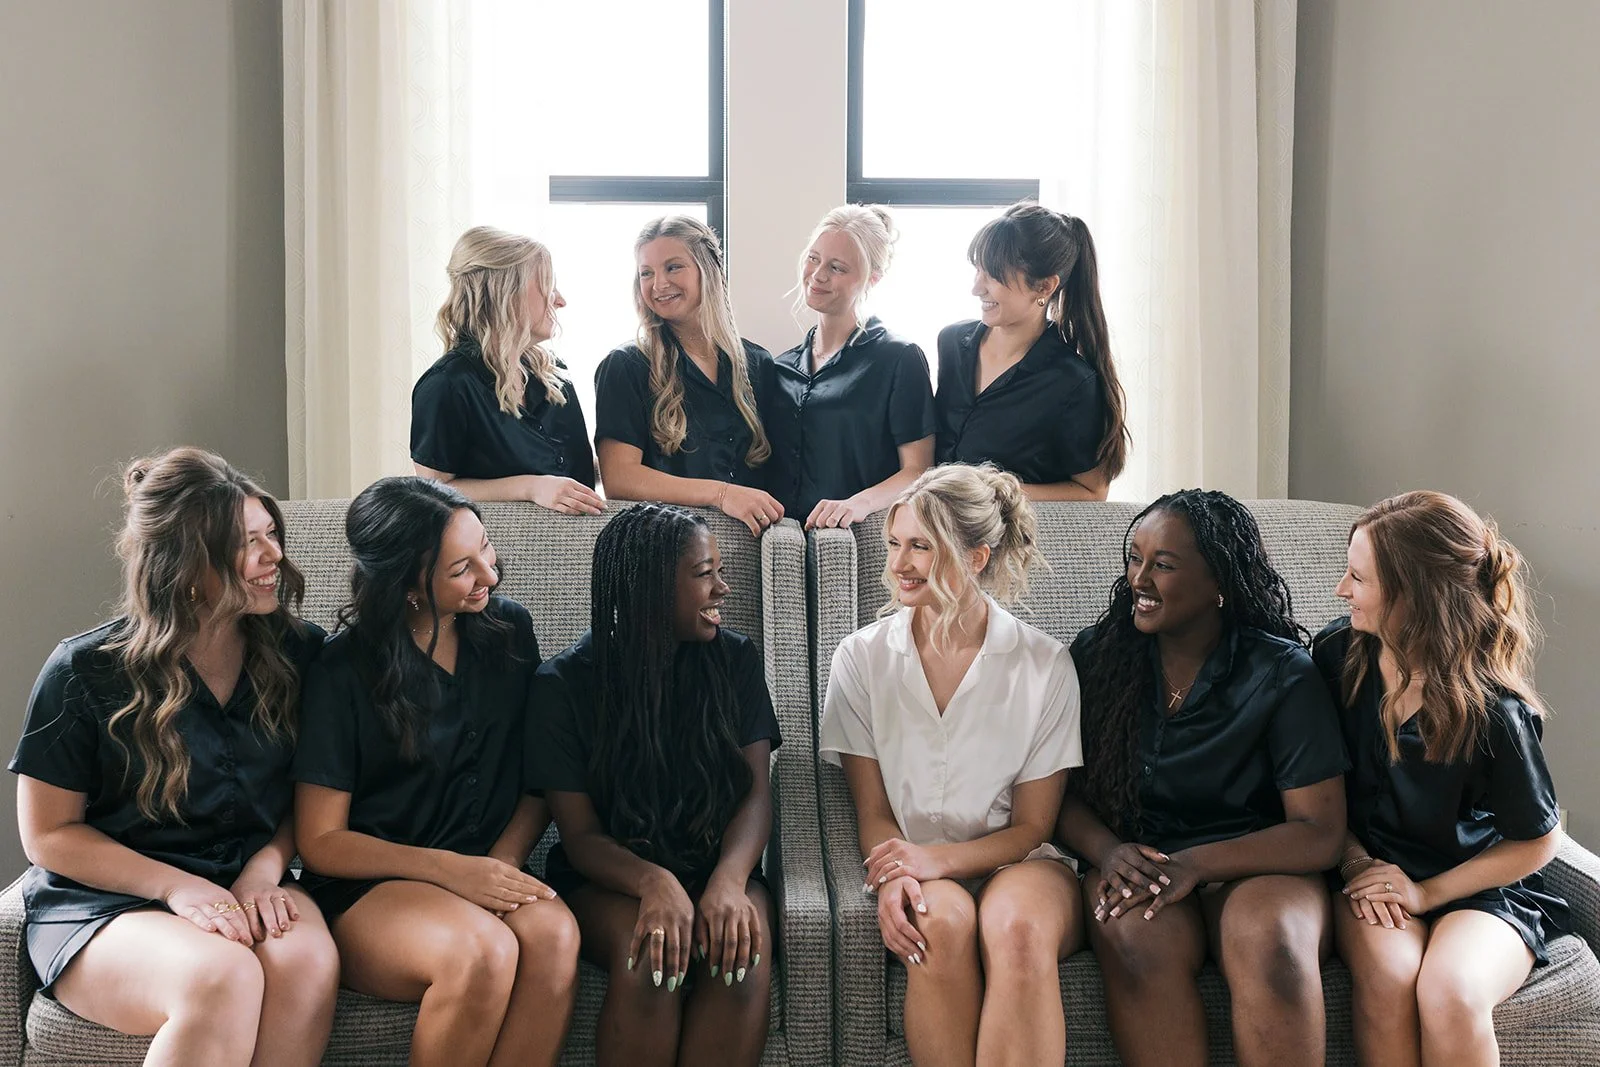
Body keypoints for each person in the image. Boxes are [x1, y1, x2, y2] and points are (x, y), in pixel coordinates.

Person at [9, 447, 336, 1066]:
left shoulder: (302, 654)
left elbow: (314, 795)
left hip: (247, 881)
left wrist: (266, 868)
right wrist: (177, 887)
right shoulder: (84, 671)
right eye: (248, 543)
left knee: (306, 962)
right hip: (106, 905)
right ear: (188, 565)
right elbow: (47, 834)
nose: (274, 558)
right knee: (223, 975)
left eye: (273, 535)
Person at [1056, 489, 1348, 1067]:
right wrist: (1110, 852)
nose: (1139, 578)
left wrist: (1196, 865)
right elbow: (1058, 795)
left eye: (1162, 565)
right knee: (1130, 935)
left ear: (1220, 583)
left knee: (1275, 948)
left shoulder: (1282, 673)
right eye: (1133, 557)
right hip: (1141, 859)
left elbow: (1319, 831)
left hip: (1259, 864)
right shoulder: (1099, 656)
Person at [293, 477, 579, 1067]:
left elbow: (539, 776)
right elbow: (321, 842)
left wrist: (498, 864)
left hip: (485, 863)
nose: (489, 577)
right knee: (481, 952)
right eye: (461, 569)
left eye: (486, 551)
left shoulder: (510, 631)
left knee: (554, 936)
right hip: (371, 890)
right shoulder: (340, 672)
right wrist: (449, 872)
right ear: (407, 587)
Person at [820, 463, 1083, 1066]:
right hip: (919, 865)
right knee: (936, 924)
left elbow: (1033, 829)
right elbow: (873, 810)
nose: (898, 564)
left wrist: (929, 858)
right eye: (894, 544)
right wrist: (897, 874)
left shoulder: (1045, 665)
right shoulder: (860, 659)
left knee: (1017, 930)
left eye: (921, 546)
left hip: (1022, 863)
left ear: (977, 557)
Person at [1314, 491, 1566, 1067]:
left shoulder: (1493, 712)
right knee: (1390, 974)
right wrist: (1355, 861)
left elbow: (1538, 838)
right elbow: (1312, 787)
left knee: (1451, 995)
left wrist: (1427, 892)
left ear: (1416, 598)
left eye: (1358, 577)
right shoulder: (1336, 656)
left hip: (1475, 890)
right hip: (1370, 873)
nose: (1340, 590)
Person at [528, 503, 780, 1067]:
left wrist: (729, 880)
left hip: (721, 864)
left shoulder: (736, 659)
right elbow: (581, 835)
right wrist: (652, 882)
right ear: (647, 589)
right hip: (612, 881)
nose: (723, 588)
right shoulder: (565, 685)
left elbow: (756, 796)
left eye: (719, 570)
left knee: (740, 959)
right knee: (654, 962)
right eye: (704, 574)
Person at [593, 215, 783, 536]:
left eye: (673, 267)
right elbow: (619, 479)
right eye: (646, 273)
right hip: (668, 547)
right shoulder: (625, 365)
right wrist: (721, 495)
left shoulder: (758, 362)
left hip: (754, 547)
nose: (659, 284)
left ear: (708, 270)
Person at [934, 202, 1129, 500]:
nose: (977, 288)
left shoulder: (1072, 382)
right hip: (932, 534)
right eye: (978, 270)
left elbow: (1093, 491)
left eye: (994, 276)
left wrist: (996, 493)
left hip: (1011, 539)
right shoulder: (951, 343)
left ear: (1045, 287)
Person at [412, 225, 604, 515]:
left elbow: (570, 471)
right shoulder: (447, 384)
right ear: (506, 292)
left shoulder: (553, 375)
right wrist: (530, 487)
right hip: (500, 555)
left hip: (581, 549)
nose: (560, 300)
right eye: (548, 285)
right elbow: (432, 491)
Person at [766, 205, 935, 528]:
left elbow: (919, 471)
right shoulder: (780, 366)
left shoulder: (900, 359)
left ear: (873, 278)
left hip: (860, 539)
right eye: (813, 258)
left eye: (838, 267)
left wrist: (859, 504)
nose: (818, 275)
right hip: (784, 546)